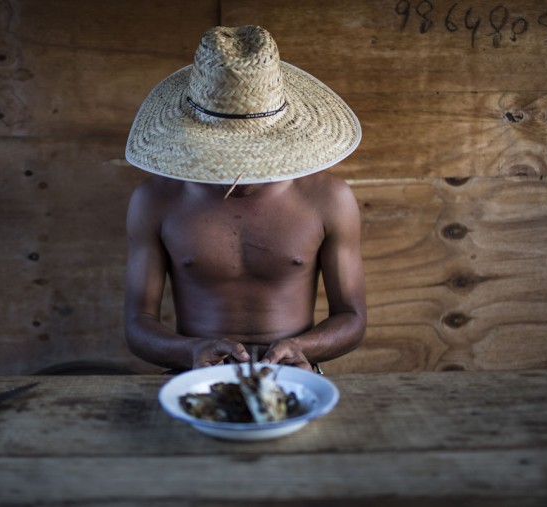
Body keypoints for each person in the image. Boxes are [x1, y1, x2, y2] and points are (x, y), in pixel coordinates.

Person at [123, 25, 366, 372]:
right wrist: (189, 351)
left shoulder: (329, 198)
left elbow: (352, 318)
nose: (241, 173)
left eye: (251, 154)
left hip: (295, 375)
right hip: (192, 374)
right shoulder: (155, 200)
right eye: (226, 153)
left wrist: (302, 348)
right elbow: (137, 324)